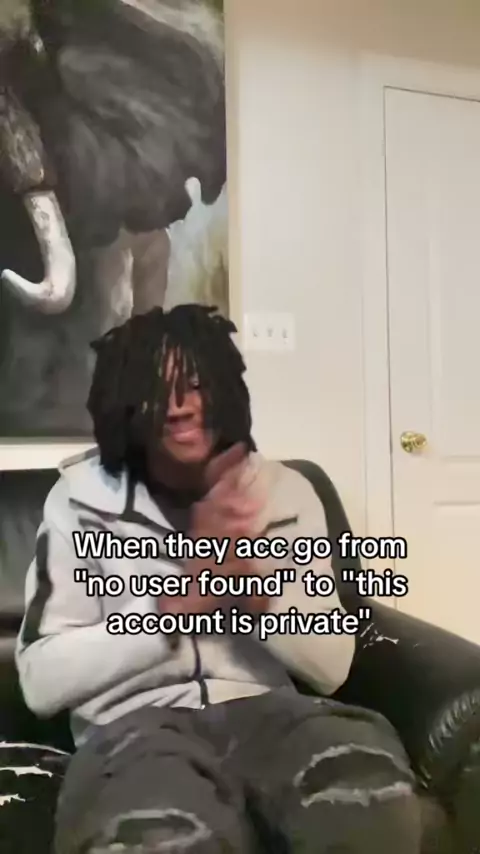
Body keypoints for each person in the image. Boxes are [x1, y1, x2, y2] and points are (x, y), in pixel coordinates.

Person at [15, 305, 421, 854]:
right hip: (135, 729)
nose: (180, 407)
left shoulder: (285, 495)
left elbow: (332, 666)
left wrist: (257, 598)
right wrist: (169, 611)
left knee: (365, 796)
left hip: (273, 717)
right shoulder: (77, 503)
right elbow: (40, 682)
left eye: (197, 385)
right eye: (156, 391)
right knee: (160, 834)